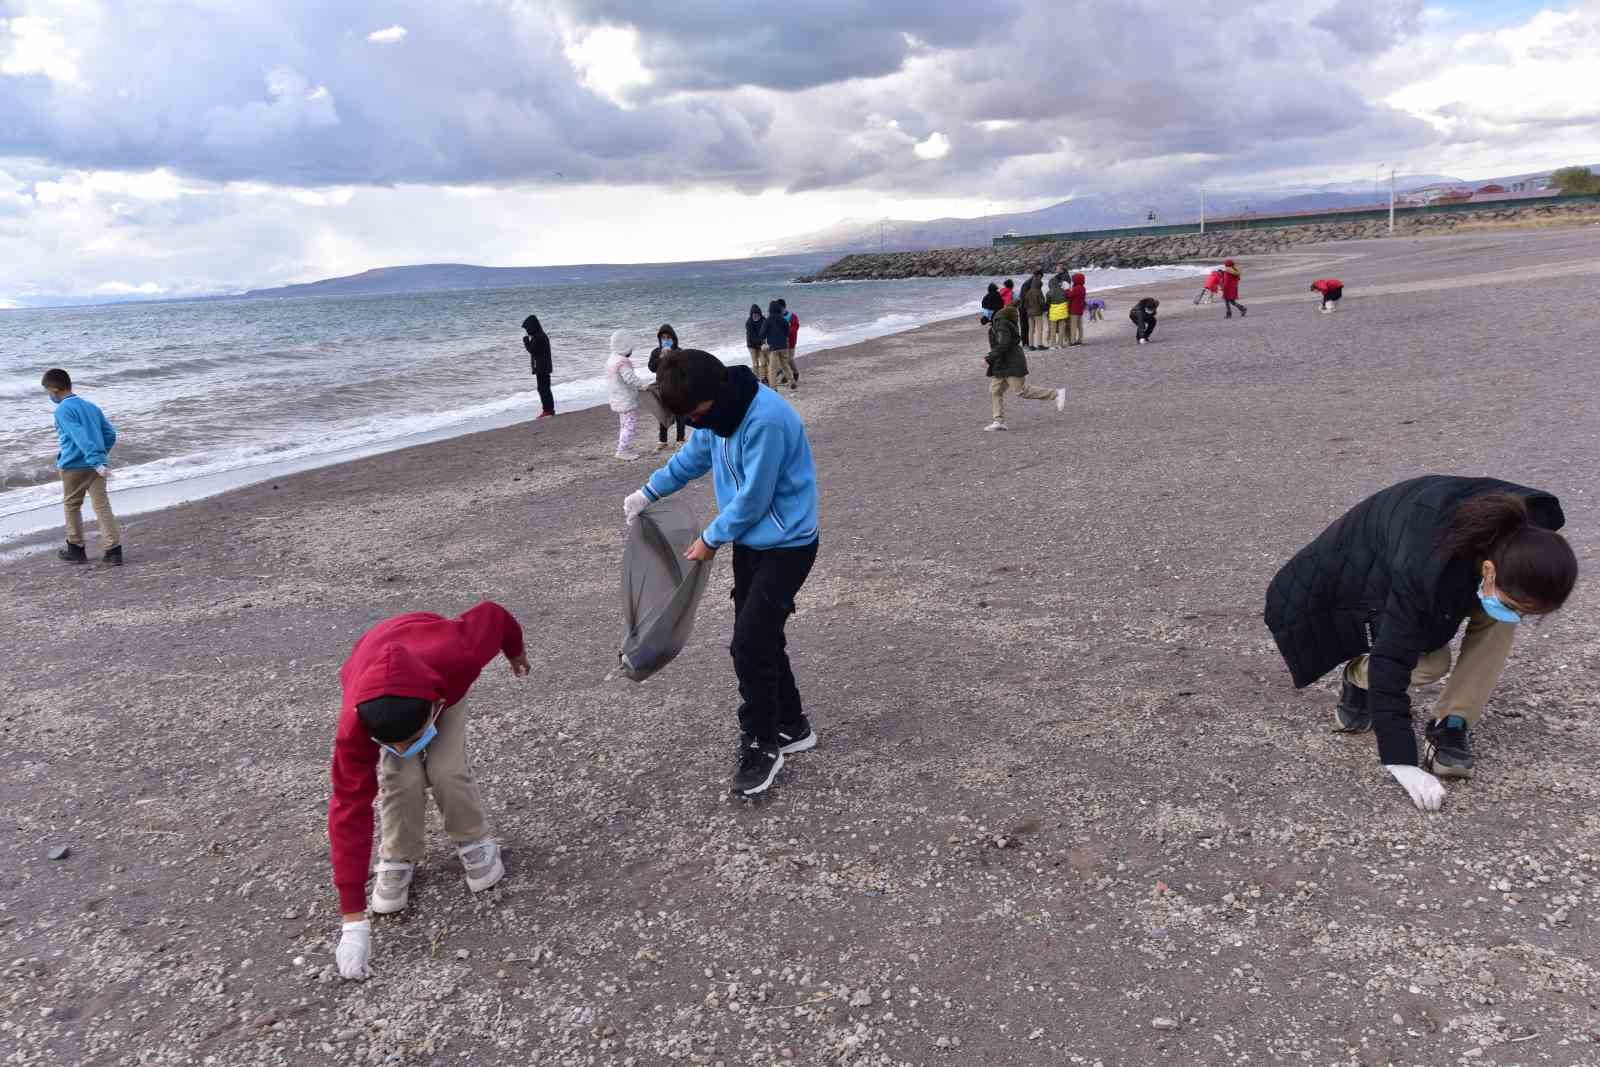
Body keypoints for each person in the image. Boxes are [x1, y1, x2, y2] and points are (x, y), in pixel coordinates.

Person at [1264, 477, 1577, 812]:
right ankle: (1358, 677)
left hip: (1451, 552)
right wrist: (1401, 762)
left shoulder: (1529, 541)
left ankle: (1452, 723)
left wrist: (1507, 604)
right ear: (1488, 569)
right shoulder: (1423, 567)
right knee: (1431, 662)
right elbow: (1392, 661)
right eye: (1517, 605)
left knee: (1499, 618)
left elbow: (1509, 594)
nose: (1519, 617)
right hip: (1362, 571)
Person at [621, 349, 821, 797]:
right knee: (763, 638)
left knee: (749, 643)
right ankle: (793, 725)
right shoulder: (714, 416)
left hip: (789, 544)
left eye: (695, 413)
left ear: (716, 394)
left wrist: (711, 538)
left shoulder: (764, 419)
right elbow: (693, 460)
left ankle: (762, 742)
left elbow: (754, 497)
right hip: (752, 543)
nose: (693, 422)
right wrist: (647, 492)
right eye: (686, 417)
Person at [328, 601, 530, 981]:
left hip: (437, 673)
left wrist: (515, 652)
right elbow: (348, 807)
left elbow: (495, 615)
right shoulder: (354, 723)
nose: (404, 750)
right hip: (374, 672)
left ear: (435, 708)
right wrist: (353, 922)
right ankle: (398, 855)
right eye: (392, 743)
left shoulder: (461, 654)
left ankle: (473, 840)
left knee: (446, 768)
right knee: (399, 777)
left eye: (410, 740)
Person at [41, 368, 122, 566]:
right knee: (102, 506)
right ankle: (113, 551)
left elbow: (79, 436)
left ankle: (76, 549)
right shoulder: (90, 406)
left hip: (74, 465)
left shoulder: (62, 410)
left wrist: (94, 458)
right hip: (97, 466)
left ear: (55, 389)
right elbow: (110, 434)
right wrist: (100, 458)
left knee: (72, 505)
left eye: (48, 392)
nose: (49, 396)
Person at [983, 303, 1066, 432]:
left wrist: (988, 359)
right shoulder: (999, 323)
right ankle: (998, 421)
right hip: (1001, 364)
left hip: (1012, 362)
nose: (984, 312)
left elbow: (1004, 344)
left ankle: (1056, 394)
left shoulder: (1001, 324)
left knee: (1021, 391)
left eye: (986, 310)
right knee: (995, 391)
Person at [605, 330, 645, 460]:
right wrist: (642, 385)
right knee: (630, 426)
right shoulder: (622, 362)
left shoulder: (611, 359)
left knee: (624, 424)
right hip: (626, 399)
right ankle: (622, 450)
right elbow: (629, 378)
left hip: (616, 397)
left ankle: (625, 447)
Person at [648, 324, 688, 449]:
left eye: (668, 337)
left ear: (673, 338)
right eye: (663, 338)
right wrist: (661, 358)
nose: (666, 340)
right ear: (660, 339)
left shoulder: (679, 351)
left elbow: (684, 369)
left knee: (680, 413)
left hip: (677, 387)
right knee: (663, 413)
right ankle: (662, 440)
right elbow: (651, 368)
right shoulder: (656, 352)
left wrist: (671, 357)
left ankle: (680, 439)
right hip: (662, 386)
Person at [522, 315, 555, 418]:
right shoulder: (540, 335)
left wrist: (526, 341)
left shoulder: (538, 337)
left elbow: (532, 350)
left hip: (542, 367)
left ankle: (547, 410)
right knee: (544, 388)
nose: (527, 331)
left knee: (543, 389)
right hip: (543, 366)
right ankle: (549, 409)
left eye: (527, 328)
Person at [762, 299, 792, 388]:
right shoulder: (783, 320)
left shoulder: (767, 320)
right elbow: (788, 332)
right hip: (783, 346)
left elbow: (762, 334)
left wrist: (766, 338)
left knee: (772, 368)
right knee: (785, 365)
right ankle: (792, 381)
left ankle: (773, 387)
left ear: (770, 310)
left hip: (773, 347)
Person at [1021, 271, 1047, 350]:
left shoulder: (1028, 292)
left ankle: (1031, 345)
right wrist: (1045, 309)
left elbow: (1025, 303)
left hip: (1029, 313)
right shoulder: (1038, 292)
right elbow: (1042, 303)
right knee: (1039, 329)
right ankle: (1039, 344)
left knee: (1031, 329)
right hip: (1038, 313)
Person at [745, 304, 768, 382]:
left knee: (763, 362)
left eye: (756, 314)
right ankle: (755, 379)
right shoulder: (749, 323)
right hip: (752, 345)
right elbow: (752, 337)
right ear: (751, 314)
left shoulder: (764, 320)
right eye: (753, 314)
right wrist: (762, 343)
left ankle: (764, 378)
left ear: (760, 314)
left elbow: (767, 331)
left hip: (761, 344)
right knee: (755, 364)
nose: (755, 316)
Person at [1046, 274, 1069, 348]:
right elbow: (1067, 299)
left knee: (1053, 329)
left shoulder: (1049, 293)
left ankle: (1052, 345)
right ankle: (1060, 344)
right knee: (1061, 328)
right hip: (1062, 311)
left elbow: (1048, 304)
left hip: (1053, 312)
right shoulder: (1063, 291)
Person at [782, 300, 801, 387]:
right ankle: (786, 375)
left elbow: (795, 328)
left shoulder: (793, 316)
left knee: (789, 359)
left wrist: (786, 331)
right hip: (781, 342)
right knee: (783, 360)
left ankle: (795, 372)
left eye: (781, 308)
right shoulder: (777, 317)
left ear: (784, 307)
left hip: (791, 342)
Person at [1066, 272, 1087, 346]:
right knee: (1080, 325)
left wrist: (1067, 290)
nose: (1073, 281)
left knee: (1073, 325)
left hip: (1074, 309)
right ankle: (1080, 339)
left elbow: (1070, 295)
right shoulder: (1083, 288)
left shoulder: (1076, 288)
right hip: (1080, 309)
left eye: (1073, 279)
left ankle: (1073, 341)